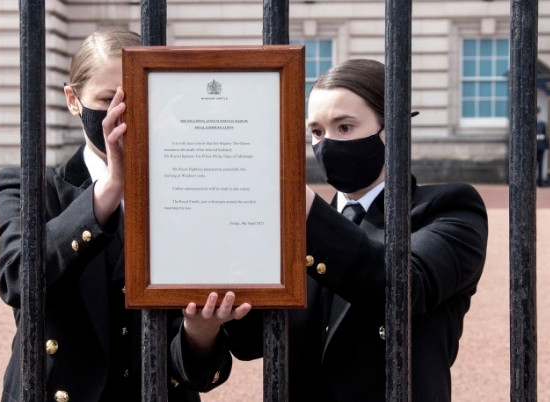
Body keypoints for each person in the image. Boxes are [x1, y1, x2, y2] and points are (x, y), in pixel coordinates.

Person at [172, 59, 489, 401]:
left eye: (345, 127)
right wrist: (202, 329)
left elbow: (404, 287)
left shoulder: (449, 207)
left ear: (393, 130)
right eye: (317, 132)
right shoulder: (287, 226)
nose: (327, 143)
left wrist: (298, 200)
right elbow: (248, 341)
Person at [0, 27, 208, 401]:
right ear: (73, 100)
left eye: (138, 97)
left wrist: (201, 330)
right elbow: (16, 280)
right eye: (108, 99)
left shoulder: (188, 186)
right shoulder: (29, 186)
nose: (121, 112)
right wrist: (109, 189)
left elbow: (203, 355)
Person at [537, 107, 548, 187]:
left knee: (541, 165)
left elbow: (545, 135)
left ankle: (540, 181)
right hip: (534, 147)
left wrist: (546, 147)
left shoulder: (542, 123)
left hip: (541, 146)